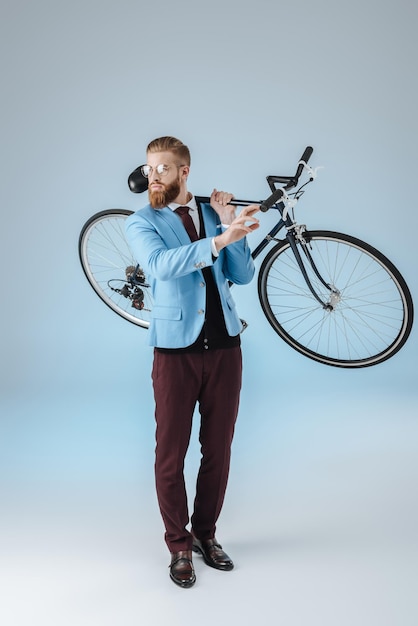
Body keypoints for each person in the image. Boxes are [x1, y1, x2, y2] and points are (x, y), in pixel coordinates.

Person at [125, 136, 259, 588]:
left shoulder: (210, 215)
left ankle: (206, 535)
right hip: (176, 352)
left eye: (162, 168)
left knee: (218, 451)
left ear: (184, 172)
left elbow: (240, 275)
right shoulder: (142, 221)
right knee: (171, 454)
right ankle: (178, 544)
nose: (152, 176)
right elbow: (161, 266)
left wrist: (226, 226)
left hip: (225, 347)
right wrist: (220, 239)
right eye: (149, 168)